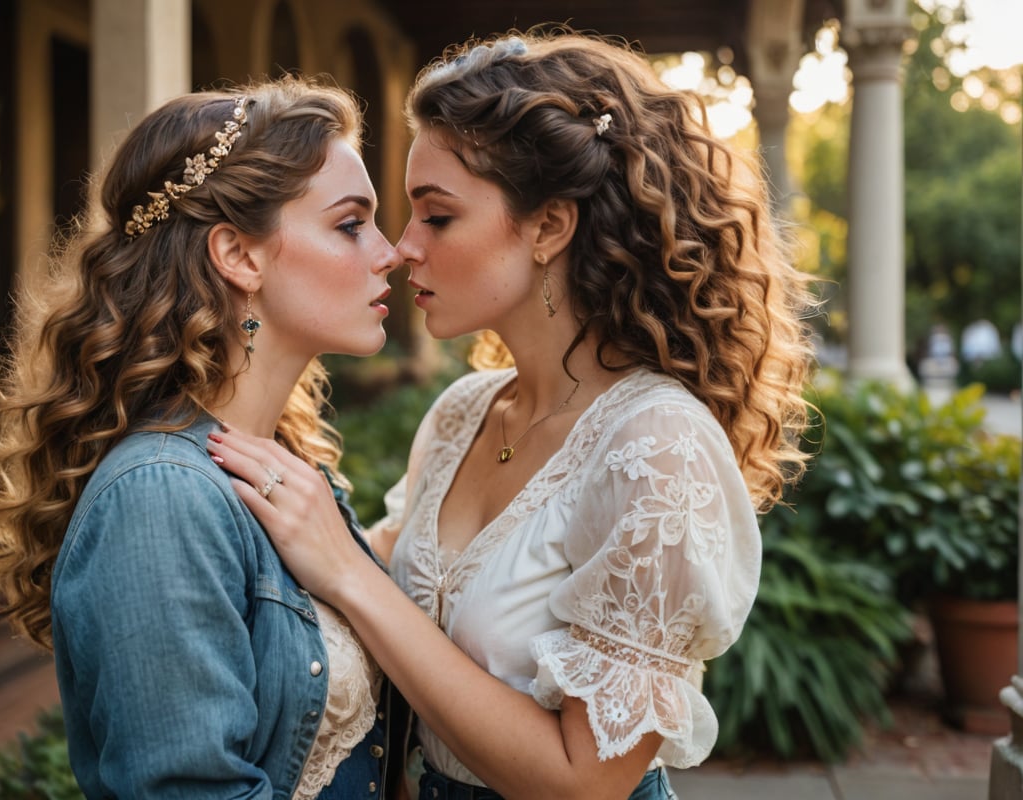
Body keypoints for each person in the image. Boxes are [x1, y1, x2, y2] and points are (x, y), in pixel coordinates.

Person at [207, 28, 817, 800]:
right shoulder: (463, 412)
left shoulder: (657, 446)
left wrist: (352, 573)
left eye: (437, 216)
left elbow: (584, 781)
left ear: (549, 226)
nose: (402, 248)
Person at [0, 77, 401, 799]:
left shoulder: (284, 465)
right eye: (350, 224)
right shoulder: (161, 496)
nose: (390, 252)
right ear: (239, 255)